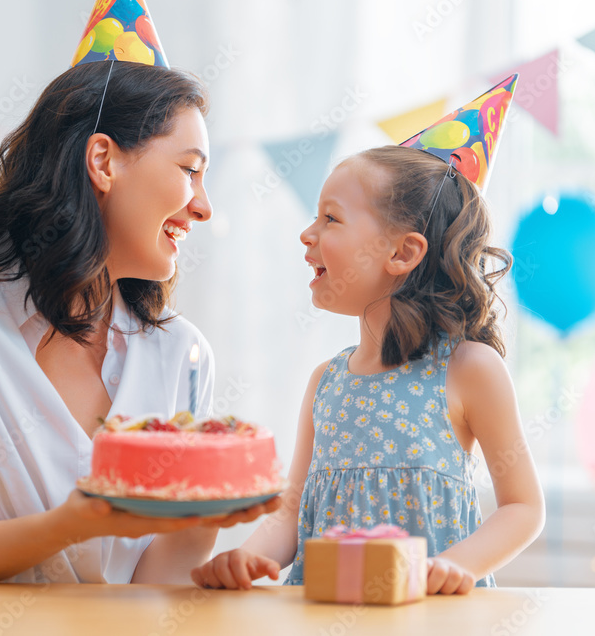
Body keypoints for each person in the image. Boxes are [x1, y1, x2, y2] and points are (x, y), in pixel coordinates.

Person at [0, 0, 281, 581]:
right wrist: (78, 520)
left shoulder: (181, 354)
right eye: (191, 170)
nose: (204, 205)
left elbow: (147, 585)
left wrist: (208, 513)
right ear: (103, 160)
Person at [191, 79, 545, 595]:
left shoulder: (469, 369)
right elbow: (290, 516)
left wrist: (456, 567)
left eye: (330, 218)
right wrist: (246, 557)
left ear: (403, 253)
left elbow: (523, 507)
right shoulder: (325, 382)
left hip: (431, 622)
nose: (306, 234)